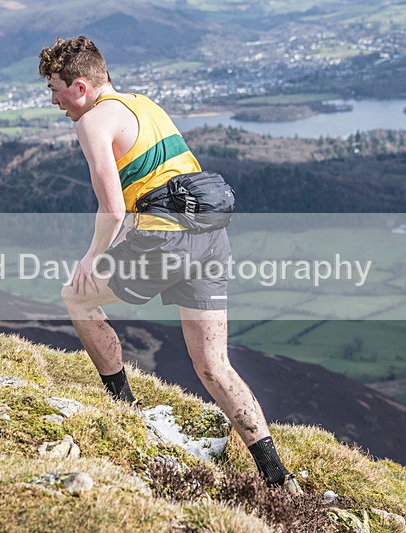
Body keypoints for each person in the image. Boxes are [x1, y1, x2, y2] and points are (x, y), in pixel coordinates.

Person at [39, 36, 302, 494]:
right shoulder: (143, 103)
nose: (53, 99)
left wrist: (91, 258)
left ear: (79, 86)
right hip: (211, 238)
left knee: (75, 296)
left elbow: (113, 210)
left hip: (165, 240)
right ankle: (278, 477)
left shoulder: (93, 121)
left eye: (54, 88)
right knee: (214, 364)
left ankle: (124, 406)